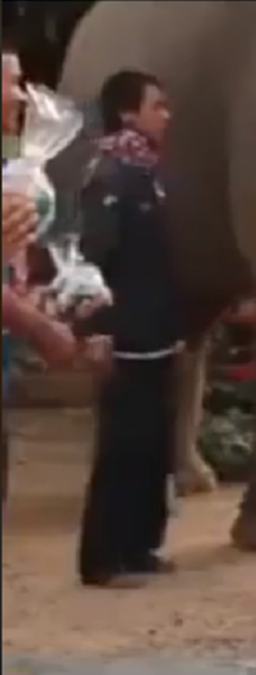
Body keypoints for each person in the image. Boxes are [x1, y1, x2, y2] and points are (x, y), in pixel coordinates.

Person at [75, 69, 180, 587]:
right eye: (157, 105)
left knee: (153, 445)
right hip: (123, 335)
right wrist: (95, 330)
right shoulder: (109, 176)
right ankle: (102, 557)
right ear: (127, 113)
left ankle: (140, 546)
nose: (167, 115)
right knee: (121, 447)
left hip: (157, 332)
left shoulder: (149, 174)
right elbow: (90, 260)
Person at [2, 45, 84, 507]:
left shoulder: (16, 170)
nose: (21, 98)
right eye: (12, 84)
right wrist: (40, 327)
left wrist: (45, 299)